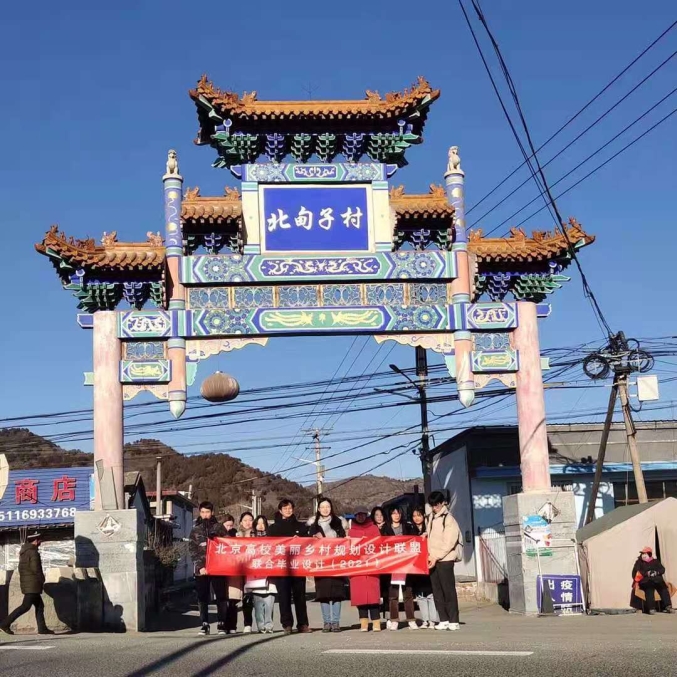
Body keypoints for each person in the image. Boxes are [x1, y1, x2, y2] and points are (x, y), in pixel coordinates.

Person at [269, 498, 312, 634]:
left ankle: (303, 624)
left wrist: (300, 540)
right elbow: (268, 546)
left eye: (290, 508)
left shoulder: (301, 527)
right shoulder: (273, 528)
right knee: (284, 596)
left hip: (297, 566)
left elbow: (309, 544)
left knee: (300, 596)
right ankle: (287, 624)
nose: (288, 510)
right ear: (280, 510)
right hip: (281, 567)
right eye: (285, 508)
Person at [307, 498, 348, 632]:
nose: (325, 509)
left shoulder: (338, 522)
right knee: (323, 594)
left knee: (336, 593)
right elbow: (309, 544)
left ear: (331, 508)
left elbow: (344, 540)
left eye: (328, 506)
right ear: (318, 509)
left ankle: (335, 622)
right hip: (321, 564)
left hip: (336, 562)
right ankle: (326, 622)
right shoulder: (313, 525)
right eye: (323, 507)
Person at [189, 501, 229, 636]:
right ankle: (204, 623)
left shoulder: (219, 528)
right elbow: (192, 550)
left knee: (221, 595)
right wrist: (200, 566)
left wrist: (216, 539)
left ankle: (221, 623)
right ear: (200, 513)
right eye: (203, 512)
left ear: (212, 513)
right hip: (201, 570)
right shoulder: (195, 529)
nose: (205, 515)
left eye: (207, 512)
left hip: (218, 568)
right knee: (202, 596)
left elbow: (229, 545)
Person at [0, 532, 52, 635]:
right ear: (35, 541)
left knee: (39, 606)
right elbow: (36, 569)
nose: (40, 542)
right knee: (25, 606)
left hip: (28, 583)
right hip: (33, 584)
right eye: (39, 540)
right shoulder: (33, 553)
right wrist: (42, 579)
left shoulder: (23, 552)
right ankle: (4, 624)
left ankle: (42, 629)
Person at [426, 491, 463, 631]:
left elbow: (449, 542)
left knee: (448, 591)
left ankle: (454, 620)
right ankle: (443, 619)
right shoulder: (430, 517)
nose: (434, 507)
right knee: (437, 591)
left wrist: (436, 556)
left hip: (445, 559)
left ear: (442, 503)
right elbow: (430, 536)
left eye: (437, 505)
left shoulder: (449, 519)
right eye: (432, 505)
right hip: (432, 560)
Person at [383, 506, 418, 630]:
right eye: (394, 513)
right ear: (390, 515)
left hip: (406, 564)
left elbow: (416, 540)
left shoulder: (408, 527)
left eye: (398, 513)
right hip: (392, 564)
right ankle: (394, 620)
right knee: (393, 595)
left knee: (408, 593)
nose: (396, 515)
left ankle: (411, 619)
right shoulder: (385, 528)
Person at [349, 507, 382, 632]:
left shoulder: (374, 528)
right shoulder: (351, 531)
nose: (360, 517)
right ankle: (364, 623)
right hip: (358, 568)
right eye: (358, 515)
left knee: (373, 596)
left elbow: (379, 544)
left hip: (372, 566)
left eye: (363, 515)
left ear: (366, 515)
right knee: (360, 596)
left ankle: (376, 622)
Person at [247, 516, 277, 633]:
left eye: (263, 523)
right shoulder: (249, 539)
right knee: (258, 606)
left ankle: (269, 625)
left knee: (269, 605)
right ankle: (260, 626)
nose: (260, 526)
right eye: (258, 523)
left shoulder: (272, 539)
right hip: (255, 577)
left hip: (269, 576)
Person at [409, 507, 438, 629]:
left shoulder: (430, 528)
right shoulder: (410, 529)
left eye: (419, 515)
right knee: (420, 595)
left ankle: (433, 620)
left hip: (429, 564)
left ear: (423, 516)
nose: (416, 518)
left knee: (430, 594)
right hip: (416, 566)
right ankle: (425, 620)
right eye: (414, 516)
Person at [632, 546, 675, 615]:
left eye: (645, 554)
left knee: (663, 588)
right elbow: (637, 571)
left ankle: (668, 606)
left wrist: (656, 572)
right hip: (646, 581)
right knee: (649, 589)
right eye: (642, 554)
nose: (643, 555)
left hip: (657, 580)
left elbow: (662, 569)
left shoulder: (655, 561)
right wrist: (647, 573)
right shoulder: (639, 562)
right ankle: (651, 608)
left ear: (649, 554)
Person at [235, 512, 255, 633]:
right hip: (238, 569)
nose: (248, 522)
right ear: (241, 522)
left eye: (250, 520)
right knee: (238, 598)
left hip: (253, 569)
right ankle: (234, 625)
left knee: (250, 597)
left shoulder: (257, 536)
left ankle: (249, 623)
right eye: (245, 520)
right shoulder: (236, 535)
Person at [370, 506, 389, 618]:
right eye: (376, 515)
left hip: (386, 564)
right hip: (374, 564)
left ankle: (388, 616)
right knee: (375, 590)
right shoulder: (370, 528)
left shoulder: (388, 527)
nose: (379, 517)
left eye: (381, 515)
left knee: (387, 591)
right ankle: (376, 616)